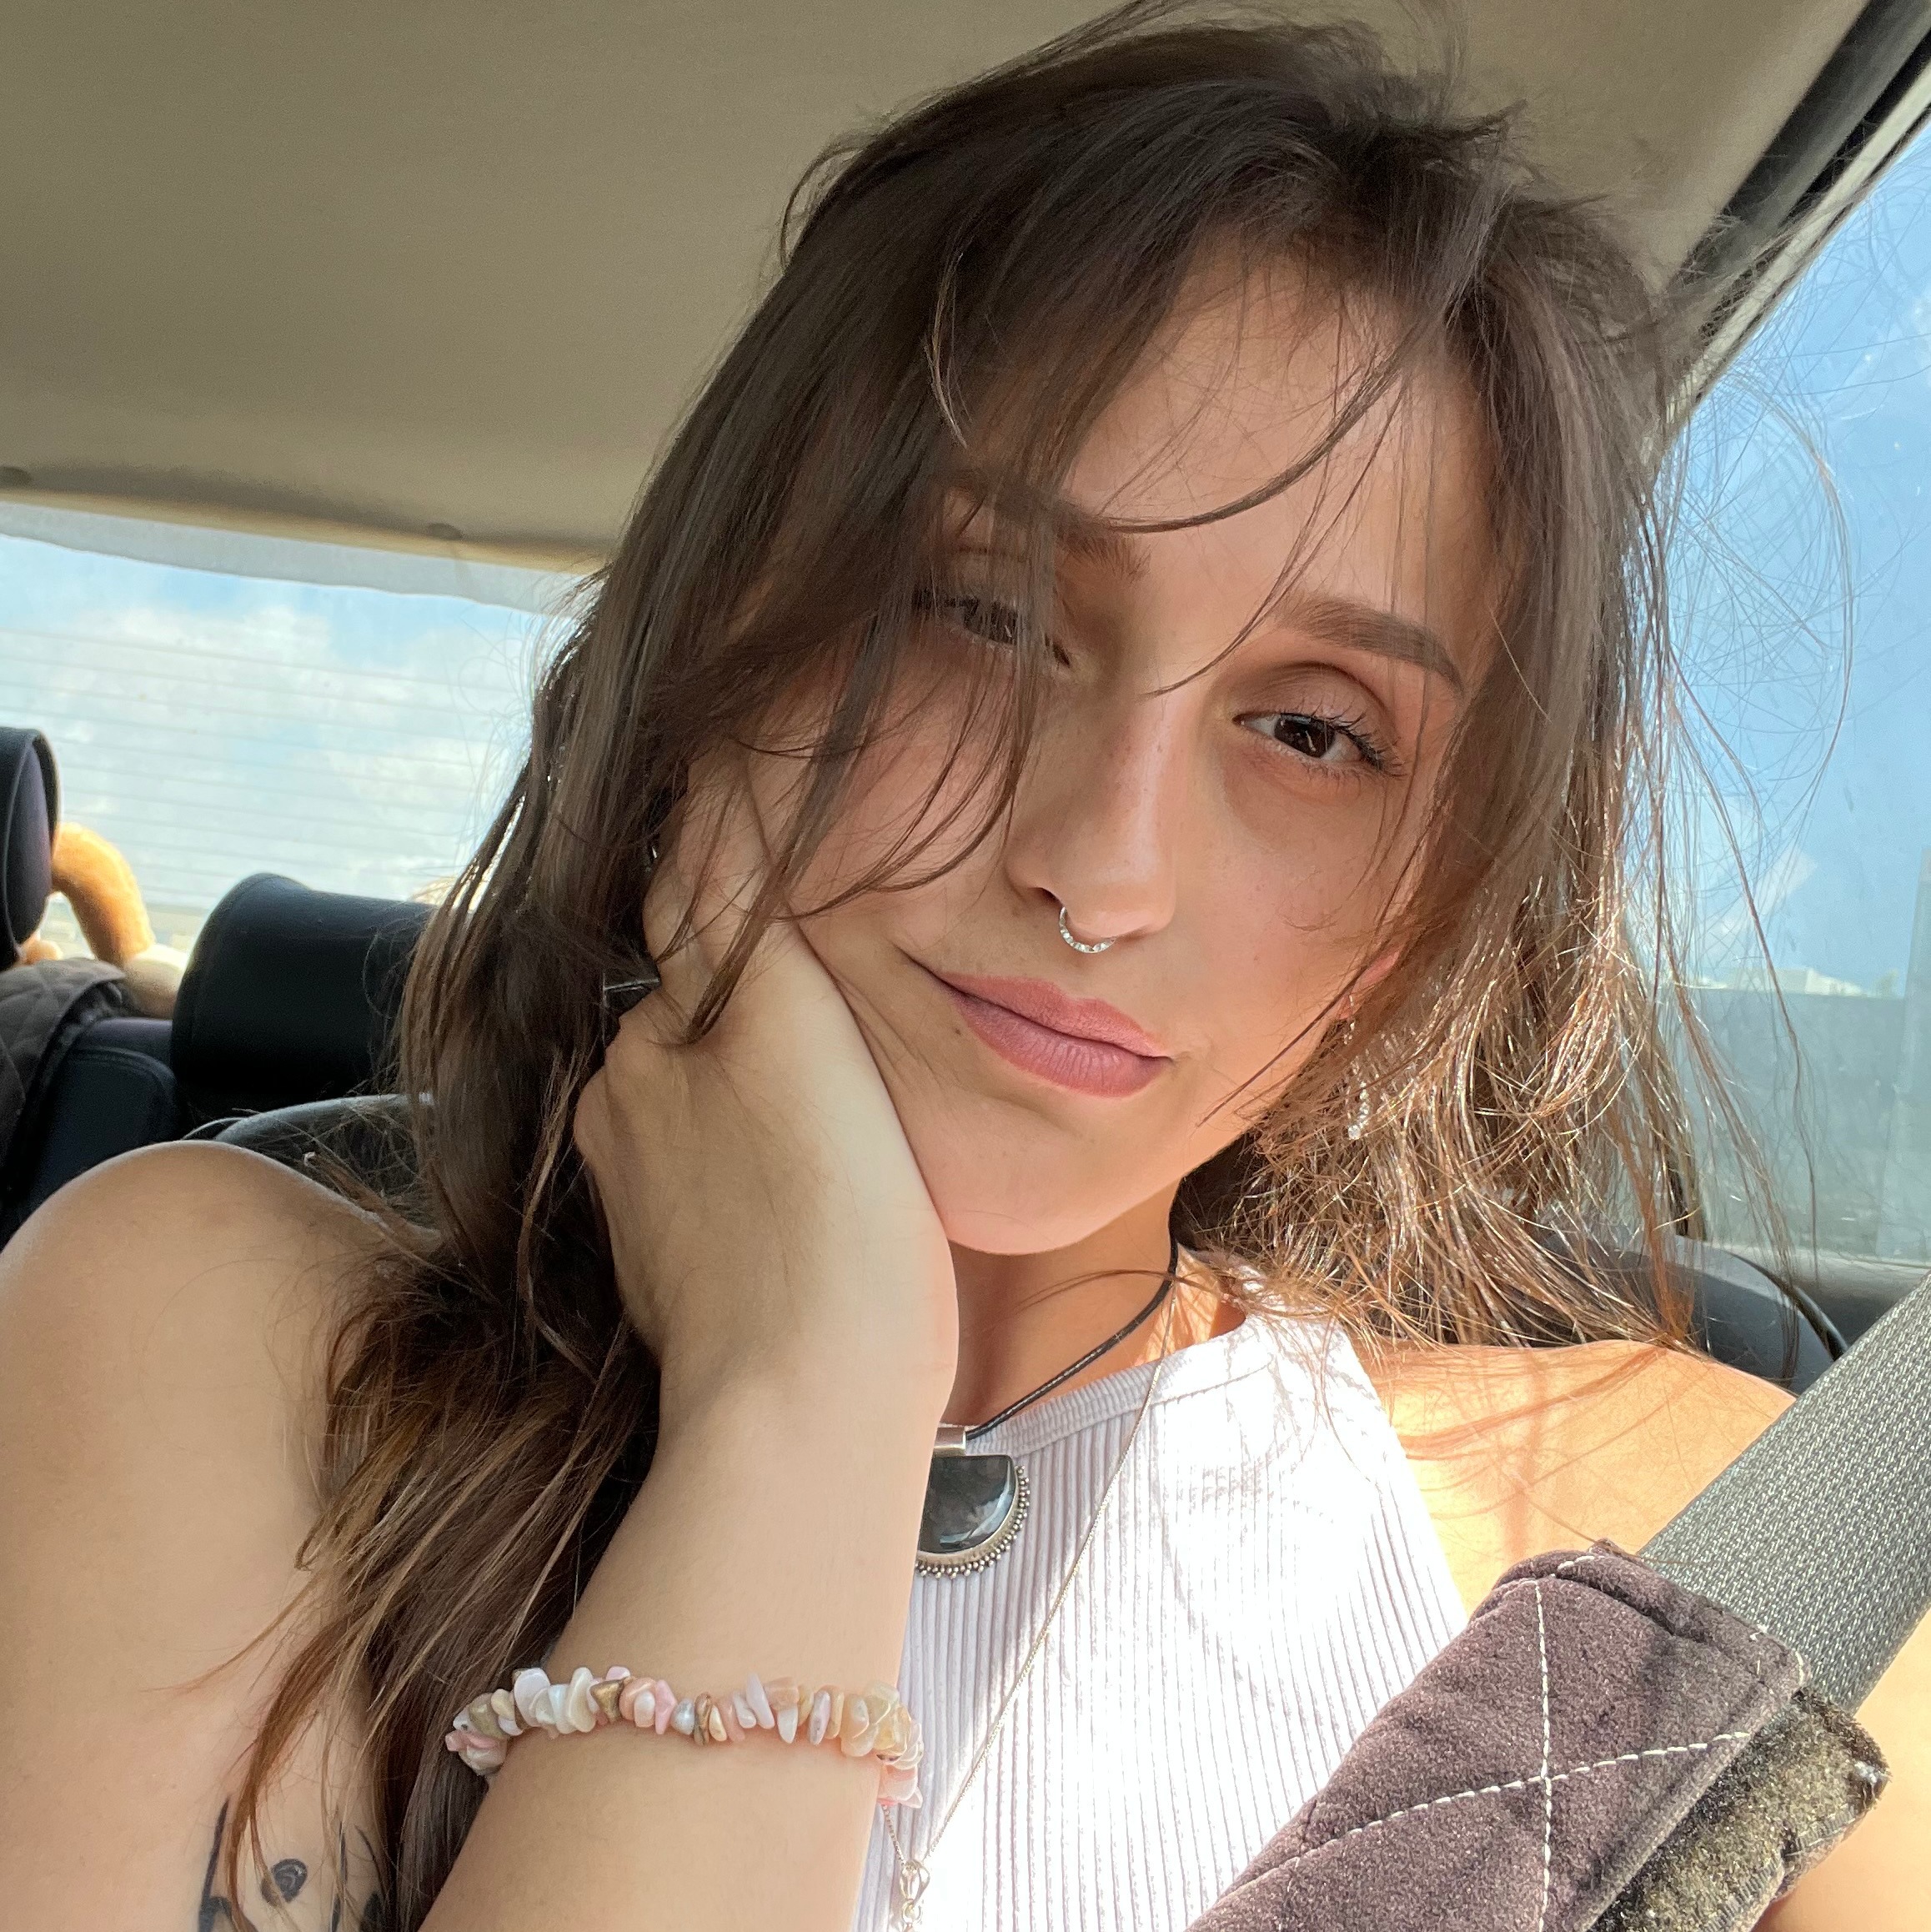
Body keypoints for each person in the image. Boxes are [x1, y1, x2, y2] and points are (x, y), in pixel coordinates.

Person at [0, 7, 1923, 1928]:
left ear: (1416, 926)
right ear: (704, 663)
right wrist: (802, 1392)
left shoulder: (1693, 1551)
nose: (1102, 869)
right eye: (981, 614)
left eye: (1316, 731)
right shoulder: (218, 1343)